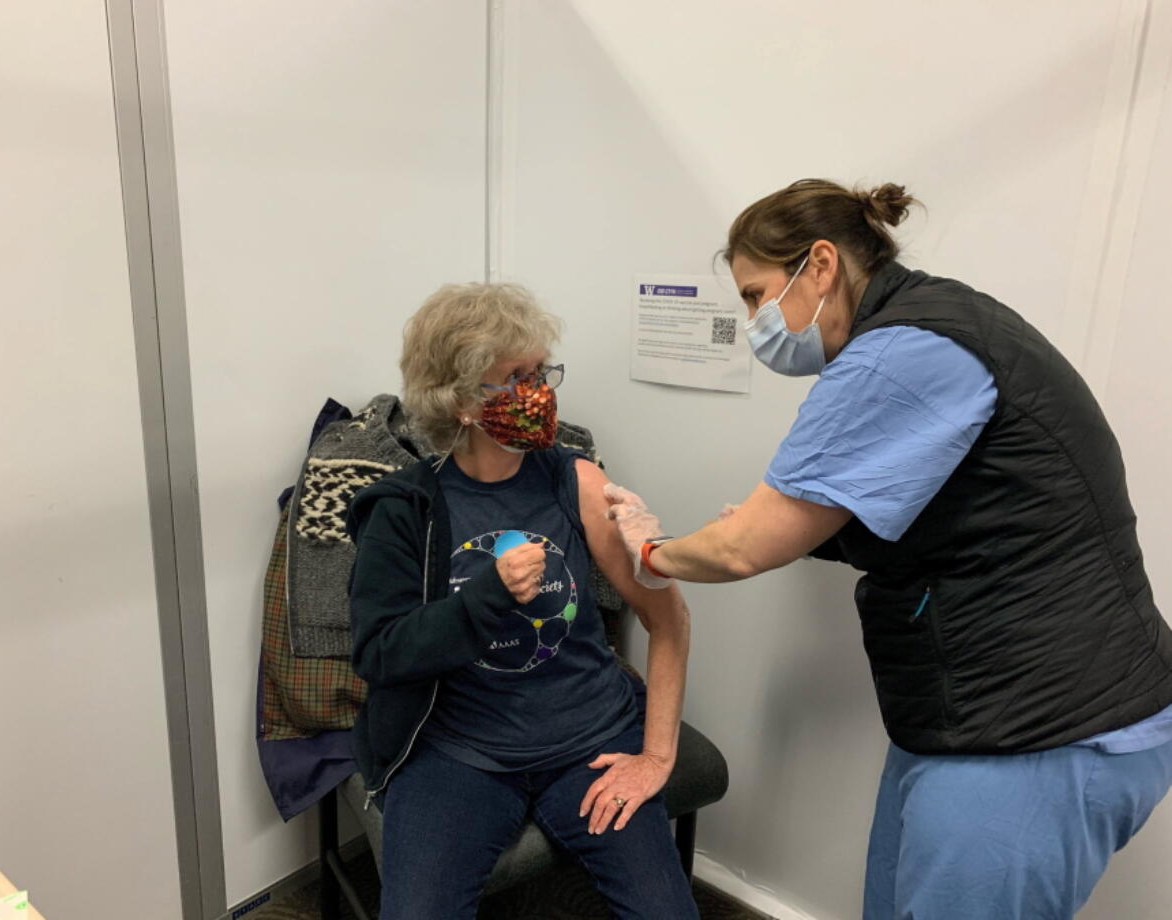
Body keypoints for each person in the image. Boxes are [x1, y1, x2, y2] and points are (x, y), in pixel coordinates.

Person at [604, 178, 1172, 920]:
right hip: (978, 716)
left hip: (1040, 729)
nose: (752, 323)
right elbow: (948, 506)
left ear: (820, 266)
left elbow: (744, 551)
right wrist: (790, 529)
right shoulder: (940, 320)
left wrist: (651, 550)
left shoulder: (904, 351)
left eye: (754, 296)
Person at [347, 282, 699, 920]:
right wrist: (487, 596)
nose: (538, 392)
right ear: (460, 402)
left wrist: (655, 757)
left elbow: (667, 620)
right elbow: (380, 653)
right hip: (459, 754)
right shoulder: (404, 508)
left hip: (590, 741)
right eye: (514, 377)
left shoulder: (577, 479)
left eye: (541, 371)